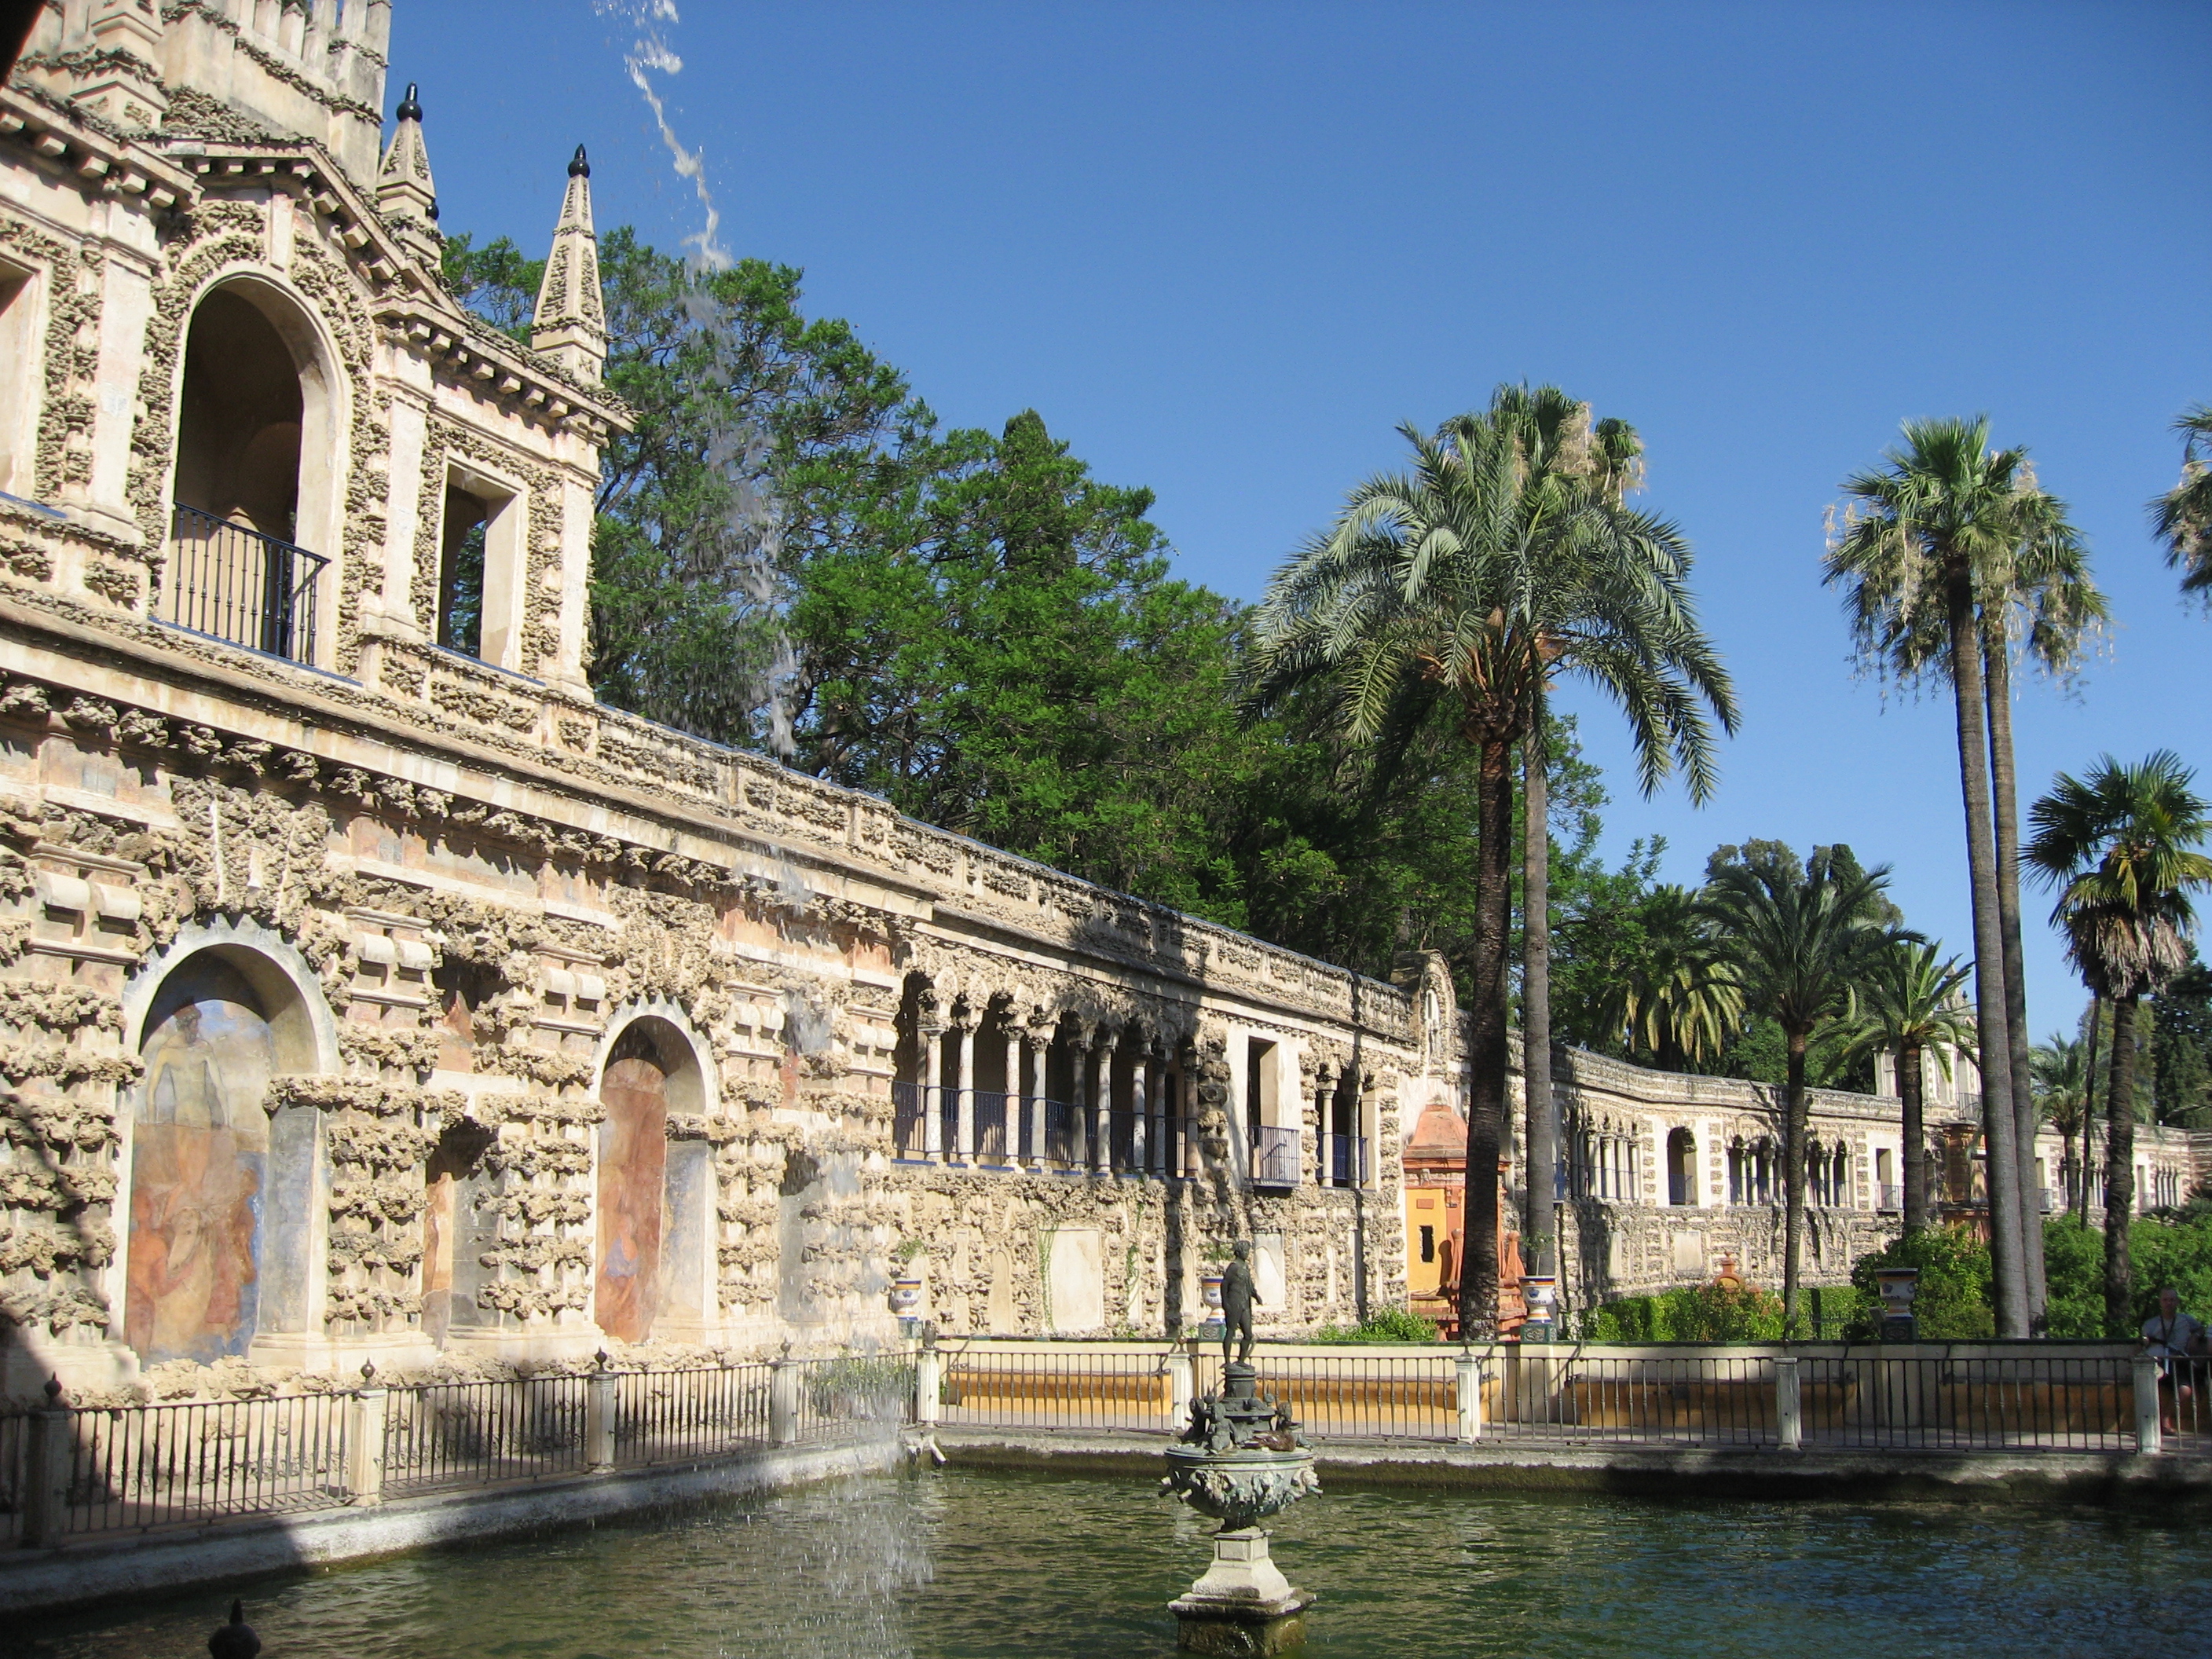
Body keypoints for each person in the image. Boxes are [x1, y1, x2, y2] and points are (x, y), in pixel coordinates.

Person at [2141, 1286, 2207, 1434]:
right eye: (2165, 1300)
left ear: (2177, 1302)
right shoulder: (2151, 1324)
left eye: (2172, 1300)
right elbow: (2143, 1344)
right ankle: (2145, 1426)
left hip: (2178, 1364)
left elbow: (2201, 1329)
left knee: (2185, 1390)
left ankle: (2164, 1418)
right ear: (2160, 1302)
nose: (2168, 1303)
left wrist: (2195, 1337)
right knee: (2146, 1386)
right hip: (2158, 1363)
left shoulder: (2186, 1320)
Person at [1220, 1240, 1257, 1366]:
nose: (1247, 1253)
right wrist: (1225, 1302)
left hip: (1245, 1302)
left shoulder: (1245, 1267)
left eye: (1248, 1251)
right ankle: (1227, 1361)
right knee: (1231, 1331)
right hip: (1234, 1302)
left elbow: (1249, 1285)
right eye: (1245, 1251)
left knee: (1248, 1334)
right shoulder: (1234, 1267)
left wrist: (1256, 1295)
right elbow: (1224, 1284)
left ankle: (1241, 1360)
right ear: (1239, 1252)